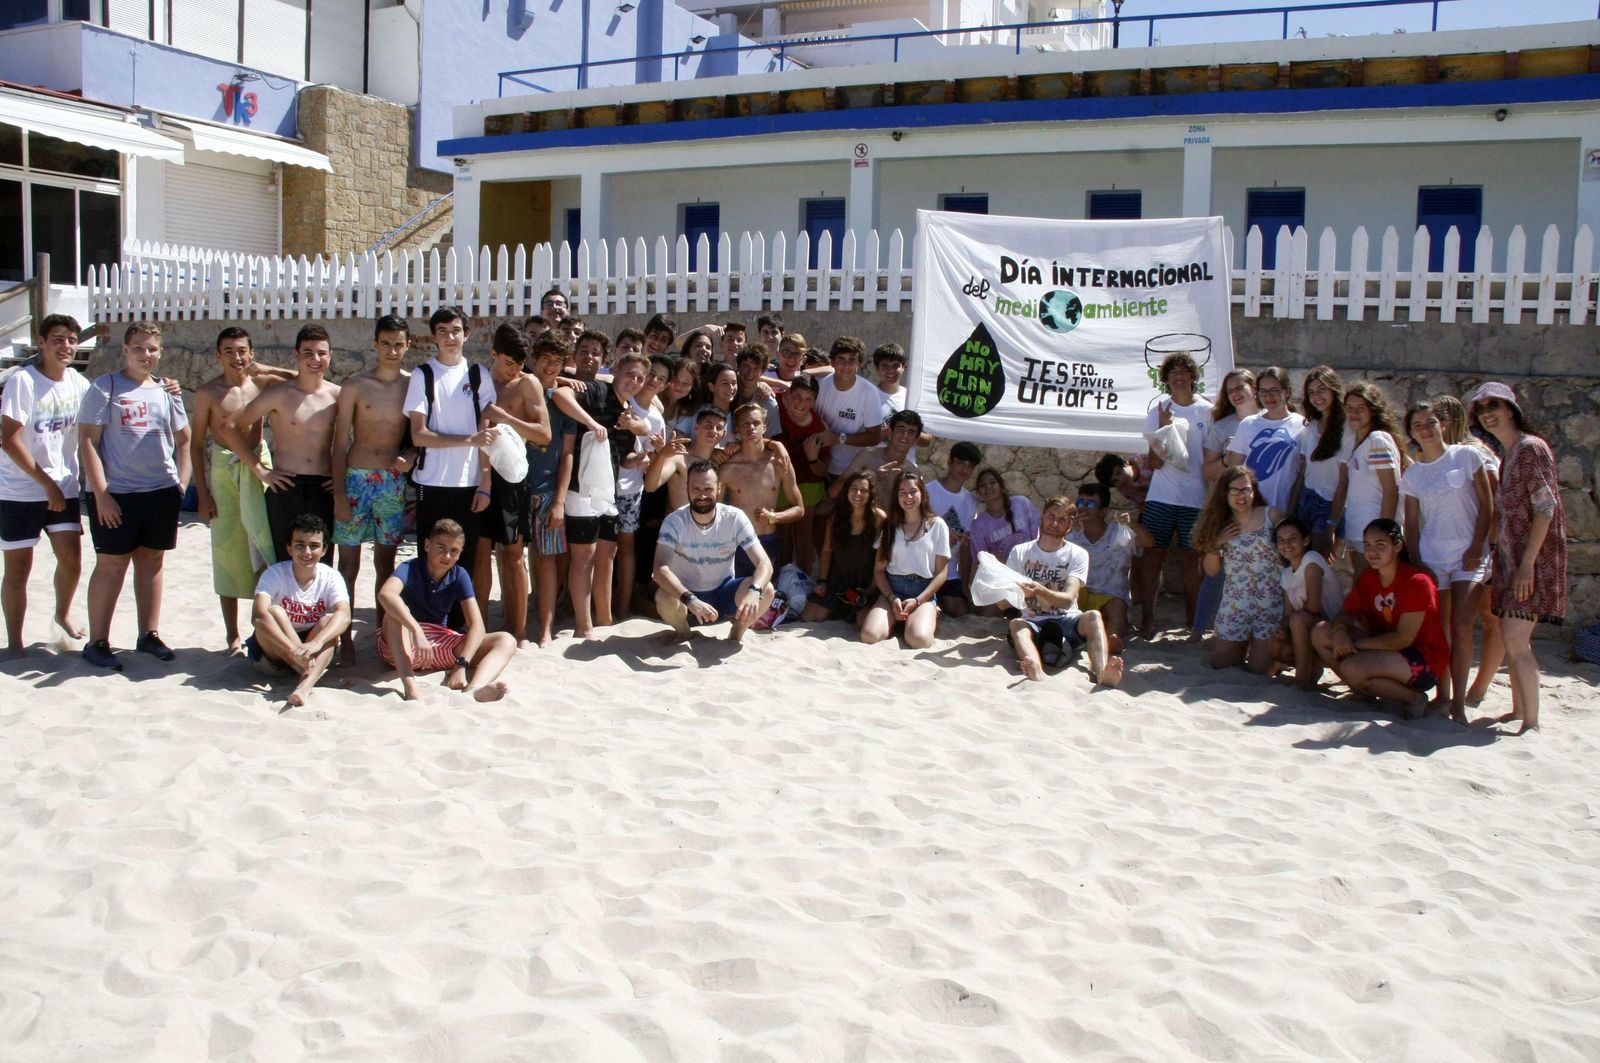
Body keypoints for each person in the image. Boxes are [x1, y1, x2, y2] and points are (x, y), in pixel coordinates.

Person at [78, 322, 192, 670]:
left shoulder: (167, 390)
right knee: (112, 565)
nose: (146, 355)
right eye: (139, 348)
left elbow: (185, 439)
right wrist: (102, 495)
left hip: (160, 491)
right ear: (125, 349)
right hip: (118, 494)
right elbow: (87, 442)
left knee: (152, 561)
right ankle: (97, 641)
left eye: (152, 349)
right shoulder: (105, 387)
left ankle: (148, 635)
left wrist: (181, 486)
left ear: (160, 352)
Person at [1469, 381, 1567, 734]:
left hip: (1532, 563)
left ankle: (1532, 722)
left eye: (1494, 404)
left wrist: (1527, 565)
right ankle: (1518, 710)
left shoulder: (1529, 449)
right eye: (1481, 408)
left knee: (1515, 639)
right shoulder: (1510, 455)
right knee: (1515, 641)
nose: (1487, 413)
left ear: (1511, 408)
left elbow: (1546, 508)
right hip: (1512, 562)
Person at [189, 326, 294, 652]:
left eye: (242, 351)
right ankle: (231, 633)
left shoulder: (261, 384)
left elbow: (303, 378)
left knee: (264, 544)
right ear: (218, 356)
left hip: (259, 470)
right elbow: (195, 445)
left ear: (251, 353)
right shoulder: (208, 393)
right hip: (224, 471)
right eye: (230, 351)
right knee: (228, 550)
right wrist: (203, 493)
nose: (237, 358)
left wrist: (268, 370)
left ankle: (263, 626)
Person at [1, 313, 91, 656]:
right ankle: (14, 641)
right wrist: (45, 484)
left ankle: (62, 612)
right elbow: (9, 439)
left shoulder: (78, 383)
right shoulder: (23, 382)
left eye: (71, 339)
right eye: (57, 339)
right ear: (42, 342)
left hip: (64, 486)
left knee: (72, 560)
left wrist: (164, 383)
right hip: (19, 489)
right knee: (19, 568)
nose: (65, 346)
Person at [329, 316, 416, 661]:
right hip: (355, 480)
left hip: (392, 483)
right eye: (386, 343)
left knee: (386, 562)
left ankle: (383, 637)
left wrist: (409, 453)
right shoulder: (355, 385)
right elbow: (338, 445)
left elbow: (421, 435)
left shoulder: (414, 385)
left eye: (399, 344)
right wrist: (338, 495)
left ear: (408, 345)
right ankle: (344, 637)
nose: (392, 350)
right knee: (347, 564)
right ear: (375, 345)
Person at [1400, 399, 1494, 720]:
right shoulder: (1412, 475)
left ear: (1442, 424)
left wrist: (1477, 545)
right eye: (1418, 425)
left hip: (1469, 554)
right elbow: (1410, 524)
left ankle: (1459, 703)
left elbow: (1487, 505)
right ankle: (1443, 695)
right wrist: (1417, 562)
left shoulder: (1467, 456)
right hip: (1433, 557)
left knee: (1463, 624)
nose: (1425, 430)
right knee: (1441, 630)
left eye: (1430, 423)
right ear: (1411, 433)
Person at [223, 323, 341, 565]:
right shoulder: (279, 394)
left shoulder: (338, 396)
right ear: (296, 355)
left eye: (321, 353)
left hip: (324, 488)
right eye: (308, 353)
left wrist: (342, 476)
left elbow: (361, 437)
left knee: (321, 563)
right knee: (283, 559)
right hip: (286, 485)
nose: (315, 359)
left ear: (331, 356)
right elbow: (231, 427)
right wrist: (261, 471)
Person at [1311, 519, 1449, 719]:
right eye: (1367, 545)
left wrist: (1357, 645)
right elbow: (1347, 612)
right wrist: (1340, 632)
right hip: (1381, 650)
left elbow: (1403, 639)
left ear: (1398, 546)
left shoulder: (1418, 582)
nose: (1372, 551)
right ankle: (1364, 689)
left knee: (1352, 667)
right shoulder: (1369, 577)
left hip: (1422, 659)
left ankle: (1413, 698)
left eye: (1380, 545)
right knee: (1320, 631)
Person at [525, 335, 607, 646]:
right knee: (513, 559)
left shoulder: (563, 399)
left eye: (557, 362)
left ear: (564, 364)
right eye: (545, 358)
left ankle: (546, 628)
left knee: (548, 559)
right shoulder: (520, 389)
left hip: (547, 490)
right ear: (534, 358)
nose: (550, 365)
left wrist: (559, 500)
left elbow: (568, 453)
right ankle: (520, 624)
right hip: (516, 487)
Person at [376, 518, 514, 702]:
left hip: (440, 645)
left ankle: (474, 689)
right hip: (404, 644)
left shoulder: (459, 574)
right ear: (427, 545)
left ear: (459, 554)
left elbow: (477, 626)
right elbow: (386, 594)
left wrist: (461, 665)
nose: (447, 556)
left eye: (454, 551)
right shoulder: (410, 568)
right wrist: (416, 630)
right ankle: (411, 689)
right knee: (392, 616)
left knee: (506, 640)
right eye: (441, 547)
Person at [404, 307, 498, 574]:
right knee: (429, 558)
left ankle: (459, 618)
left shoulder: (478, 374)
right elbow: (419, 435)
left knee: (463, 560)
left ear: (466, 335)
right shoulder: (423, 375)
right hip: (431, 482)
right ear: (434, 337)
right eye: (442, 332)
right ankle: (429, 616)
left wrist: (485, 483)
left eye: (456, 330)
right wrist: (469, 439)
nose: (450, 337)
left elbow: (487, 434)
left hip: (469, 484)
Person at [562, 351, 649, 637]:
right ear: (616, 370)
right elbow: (560, 395)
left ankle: (604, 619)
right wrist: (590, 422)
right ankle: (583, 625)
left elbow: (623, 459)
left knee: (607, 553)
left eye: (640, 378)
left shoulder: (628, 413)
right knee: (583, 556)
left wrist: (638, 461)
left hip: (607, 491)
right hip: (580, 487)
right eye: (629, 374)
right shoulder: (598, 389)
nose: (634, 381)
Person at [475, 324, 552, 644]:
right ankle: (478, 629)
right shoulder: (478, 380)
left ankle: (518, 631)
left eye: (520, 363)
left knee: (513, 554)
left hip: (512, 477)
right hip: (479, 475)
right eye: (509, 363)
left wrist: (505, 418)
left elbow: (543, 434)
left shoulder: (527, 383)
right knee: (479, 552)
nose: (515, 370)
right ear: (494, 354)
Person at [652, 460, 775, 644]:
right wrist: (690, 599)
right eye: (696, 489)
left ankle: (736, 633)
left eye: (708, 489)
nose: (702, 495)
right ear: (687, 488)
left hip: (724, 591)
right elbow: (660, 569)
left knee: (767, 590)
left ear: (718, 488)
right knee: (663, 597)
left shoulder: (734, 518)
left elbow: (764, 563)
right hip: (686, 596)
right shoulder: (674, 521)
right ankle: (684, 632)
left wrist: (754, 590)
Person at [1005, 495, 1123, 686]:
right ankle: (1036, 669)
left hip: (1067, 620)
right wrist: (1018, 594)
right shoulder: (1020, 552)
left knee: (1093, 616)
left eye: (1062, 520)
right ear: (1042, 517)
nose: (1054, 523)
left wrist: (1040, 591)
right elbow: (1005, 601)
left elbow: (1068, 599)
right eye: (1051, 516)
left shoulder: (1078, 554)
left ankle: (1101, 673)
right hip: (1033, 621)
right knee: (1017, 624)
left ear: (1069, 526)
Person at [1137, 351, 1211, 637]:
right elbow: (1154, 463)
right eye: (1172, 373)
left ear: (1193, 376)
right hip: (1162, 495)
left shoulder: (1207, 410)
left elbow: (1210, 457)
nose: (1178, 377)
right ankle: (1147, 621)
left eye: (1183, 371)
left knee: (1193, 561)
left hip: (1195, 497)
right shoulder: (1159, 410)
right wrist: (1163, 428)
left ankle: (1195, 623)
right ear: (1166, 380)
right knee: (1153, 557)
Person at [247, 513, 351, 708]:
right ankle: (307, 669)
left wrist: (317, 642)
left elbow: (344, 615)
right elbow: (258, 617)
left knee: (329, 622)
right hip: (274, 652)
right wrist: (293, 650)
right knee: (275, 611)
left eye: (314, 546)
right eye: (300, 545)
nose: (307, 552)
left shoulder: (331, 576)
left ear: (324, 549)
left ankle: (304, 686)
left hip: (310, 646)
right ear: (289, 548)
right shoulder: (275, 573)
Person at [1195, 466, 1283, 674]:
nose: (1240, 496)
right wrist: (1217, 544)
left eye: (1245, 490)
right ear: (1224, 494)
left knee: (1261, 669)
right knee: (1222, 663)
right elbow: (1211, 571)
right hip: (1236, 603)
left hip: (1270, 602)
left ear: (1254, 491)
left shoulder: (1273, 515)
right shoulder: (1220, 524)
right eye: (1234, 490)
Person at [1193, 368, 1258, 633]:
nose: (1235, 393)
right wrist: (1229, 458)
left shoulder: (1270, 421)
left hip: (1261, 506)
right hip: (1227, 506)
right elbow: (1207, 470)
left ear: (1253, 388)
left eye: (1240, 387)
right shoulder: (1222, 426)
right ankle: (1199, 628)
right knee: (1215, 568)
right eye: (1229, 390)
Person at [860, 471, 948, 649]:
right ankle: (897, 620)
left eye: (913, 491)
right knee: (869, 636)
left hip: (922, 592)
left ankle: (928, 614)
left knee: (918, 640)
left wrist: (918, 601)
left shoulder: (937, 525)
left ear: (922, 494)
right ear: (896, 497)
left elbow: (941, 573)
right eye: (902, 492)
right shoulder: (890, 527)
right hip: (893, 590)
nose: (908, 497)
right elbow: (879, 570)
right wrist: (892, 598)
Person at [719, 403, 803, 576]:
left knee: (767, 596)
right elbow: (715, 511)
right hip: (737, 543)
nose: (751, 427)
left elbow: (799, 509)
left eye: (756, 423)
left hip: (767, 540)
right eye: (745, 424)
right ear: (737, 430)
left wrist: (773, 517)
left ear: (764, 427)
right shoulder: (728, 467)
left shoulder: (779, 464)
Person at [614, 352, 669, 620]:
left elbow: (652, 461)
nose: (653, 380)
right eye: (652, 375)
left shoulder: (657, 418)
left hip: (630, 489)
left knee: (625, 547)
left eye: (661, 379)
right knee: (597, 550)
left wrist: (657, 452)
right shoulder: (622, 397)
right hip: (602, 483)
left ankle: (623, 608)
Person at [1333, 380, 1405, 578]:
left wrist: (1384, 536)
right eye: (1349, 408)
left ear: (1372, 410)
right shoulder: (1354, 441)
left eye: (1361, 408)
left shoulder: (1377, 440)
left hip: (1375, 537)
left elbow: (1391, 490)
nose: (1354, 413)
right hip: (1358, 532)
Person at [1065, 481, 1144, 653]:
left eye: (1091, 504)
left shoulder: (1119, 533)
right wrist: (1068, 526)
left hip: (1110, 598)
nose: (1083, 508)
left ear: (1103, 511)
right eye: (1080, 503)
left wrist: (1132, 525)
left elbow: (1149, 543)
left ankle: (1112, 641)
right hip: (1081, 596)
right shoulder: (1072, 539)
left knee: (1117, 604)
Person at [1267, 516, 1343, 691]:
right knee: (1275, 643)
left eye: (1293, 539)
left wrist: (1290, 624)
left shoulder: (1312, 559)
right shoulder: (1286, 573)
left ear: (1306, 540)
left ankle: (1302, 679)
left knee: (1298, 620)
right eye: (1281, 540)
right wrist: (1281, 630)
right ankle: (1312, 670)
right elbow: (1287, 614)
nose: (1287, 544)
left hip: (1332, 629)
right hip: (1311, 628)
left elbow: (1313, 606)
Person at [802, 469, 884, 624]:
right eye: (854, 489)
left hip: (864, 583)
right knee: (809, 618)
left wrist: (873, 587)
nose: (858, 494)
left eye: (863, 490)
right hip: (837, 579)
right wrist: (822, 581)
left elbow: (882, 557)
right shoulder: (836, 516)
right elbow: (826, 550)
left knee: (863, 624)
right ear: (847, 491)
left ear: (871, 494)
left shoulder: (878, 518)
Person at [1289, 365, 1351, 560]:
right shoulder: (1310, 428)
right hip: (1306, 499)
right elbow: (1303, 471)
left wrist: (1332, 524)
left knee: (1319, 561)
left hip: (1329, 504)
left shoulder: (1347, 428)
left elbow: (1344, 480)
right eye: (1311, 392)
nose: (1317, 397)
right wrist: (1291, 508)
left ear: (1333, 389)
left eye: (1322, 389)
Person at [1226, 366, 1304, 512]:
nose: (1268, 396)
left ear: (1287, 392)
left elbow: (1302, 473)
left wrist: (1293, 508)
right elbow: (1233, 471)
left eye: (1274, 390)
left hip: (1285, 510)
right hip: (1251, 510)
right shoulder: (1248, 424)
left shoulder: (1302, 425)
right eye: (1263, 391)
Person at [968, 467, 1040, 618]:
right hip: (1004, 578)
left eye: (992, 482)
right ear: (979, 492)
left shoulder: (1021, 504)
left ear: (1001, 486)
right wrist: (993, 560)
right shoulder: (978, 525)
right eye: (983, 485)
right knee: (986, 615)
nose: (988, 487)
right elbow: (981, 561)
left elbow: (1038, 536)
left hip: (1035, 570)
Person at [775, 373, 828, 572]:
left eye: (808, 399)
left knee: (804, 530)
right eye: (797, 396)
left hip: (809, 480)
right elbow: (752, 379)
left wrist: (812, 457)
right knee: (782, 529)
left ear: (814, 402)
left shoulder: (819, 428)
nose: (801, 403)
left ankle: (803, 578)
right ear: (788, 395)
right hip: (781, 479)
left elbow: (822, 471)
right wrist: (774, 385)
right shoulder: (777, 404)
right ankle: (784, 574)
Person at [814, 336, 886, 480]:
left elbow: (874, 437)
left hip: (853, 471)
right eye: (841, 359)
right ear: (832, 362)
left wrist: (838, 438)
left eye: (852, 360)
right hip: (819, 465)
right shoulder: (820, 386)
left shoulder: (869, 392)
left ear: (859, 364)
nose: (846, 366)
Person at [926, 441, 981, 617]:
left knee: (960, 611)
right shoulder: (928, 491)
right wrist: (942, 538)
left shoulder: (970, 501)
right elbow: (913, 530)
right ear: (950, 462)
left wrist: (965, 584)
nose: (964, 469)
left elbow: (965, 547)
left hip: (949, 572)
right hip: (923, 569)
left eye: (970, 466)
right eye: (960, 463)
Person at [830, 408, 922, 511]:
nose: (905, 435)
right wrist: (871, 476)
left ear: (916, 439)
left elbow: (915, 511)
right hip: (857, 521)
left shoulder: (914, 473)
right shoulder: (867, 456)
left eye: (911, 432)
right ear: (890, 432)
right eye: (900, 429)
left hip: (889, 525)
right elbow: (834, 492)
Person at [871, 342, 910, 413]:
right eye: (885, 365)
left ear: (903, 367)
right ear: (877, 368)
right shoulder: (869, 396)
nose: (891, 370)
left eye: (895, 365)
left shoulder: (910, 396)